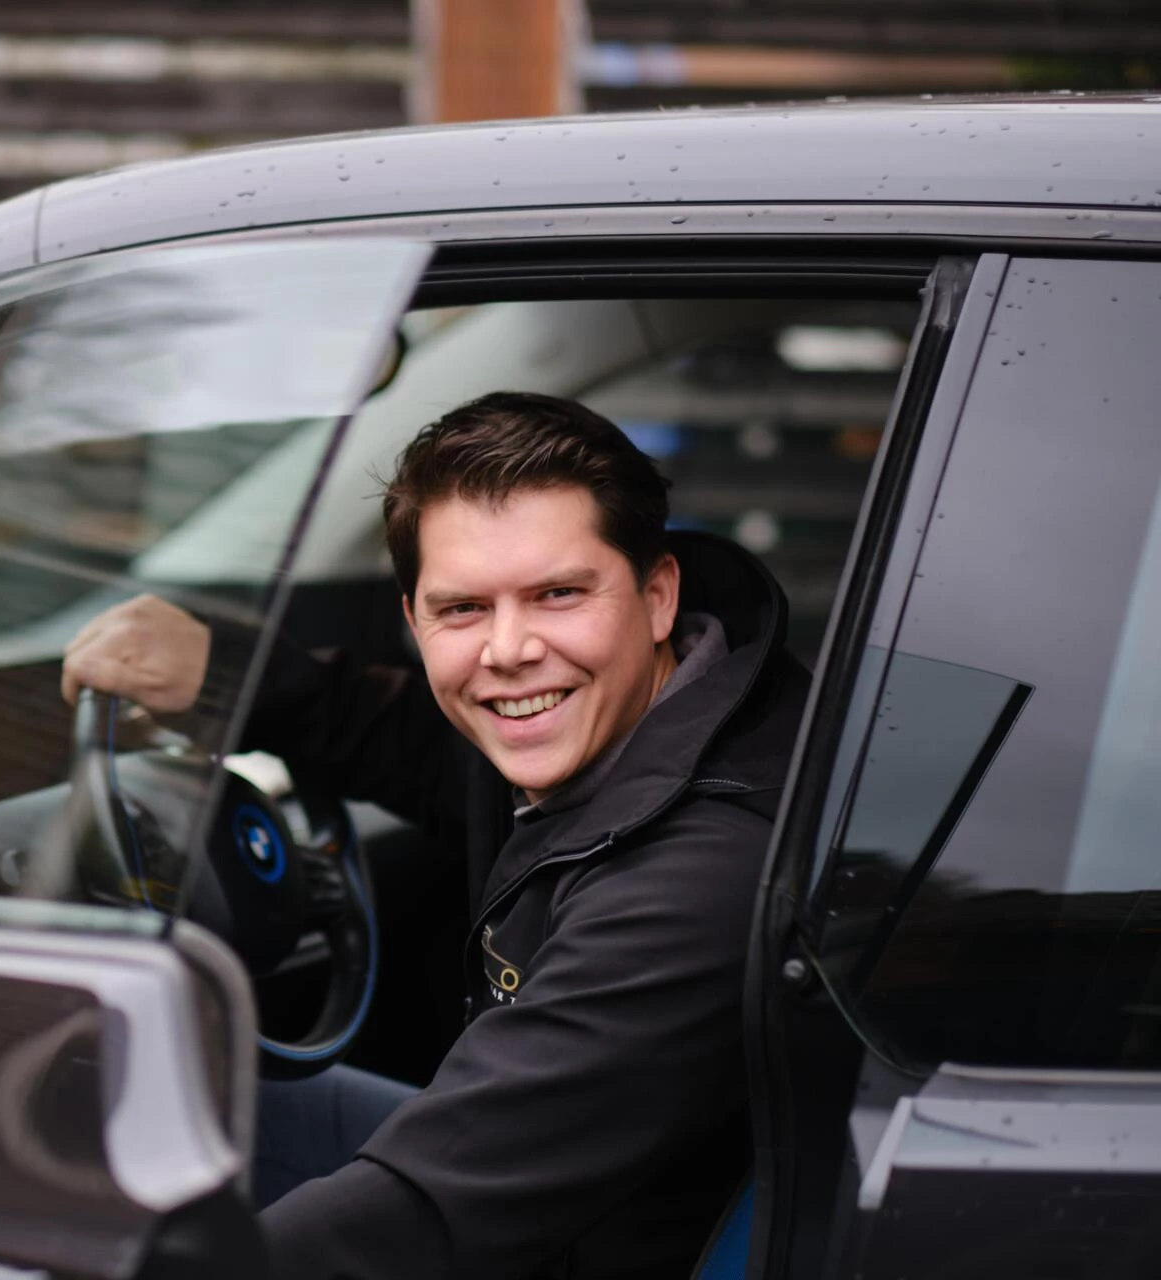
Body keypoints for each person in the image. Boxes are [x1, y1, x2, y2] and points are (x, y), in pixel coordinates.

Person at [61, 391, 809, 1279]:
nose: (508, 651)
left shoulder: (703, 877)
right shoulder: (626, 721)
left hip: (570, 1247)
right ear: (414, 620)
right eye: (462, 610)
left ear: (656, 597)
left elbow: (420, 1217)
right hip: (563, 1210)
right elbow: (421, 752)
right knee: (148, 1091)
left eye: (559, 594)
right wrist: (226, 676)